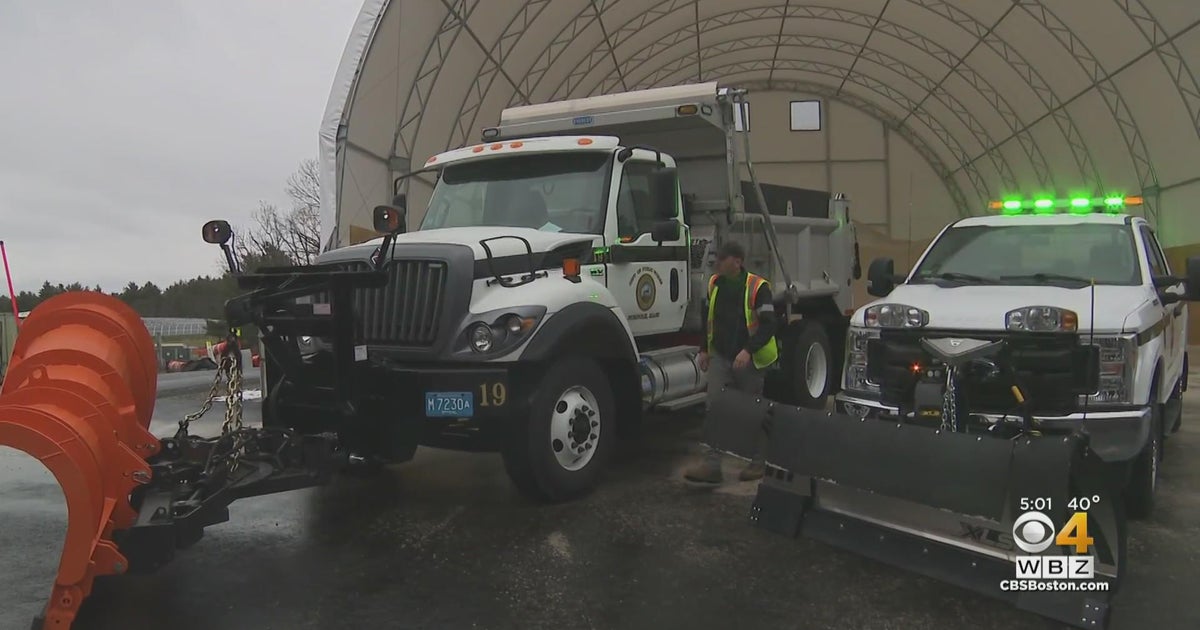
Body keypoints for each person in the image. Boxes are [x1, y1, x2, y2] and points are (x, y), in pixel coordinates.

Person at [684, 240, 780, 484]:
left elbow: (769, 324)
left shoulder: (758, 287)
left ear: (737, 261)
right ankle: (712, 466)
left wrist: (747, 350)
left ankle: (758, 462)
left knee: (752, 412)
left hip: (749, 360)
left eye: (722, 259)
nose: (717, 263)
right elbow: (709, 318)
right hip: (721, 356)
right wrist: (704, 349)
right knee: (714, 408)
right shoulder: (715, 284)